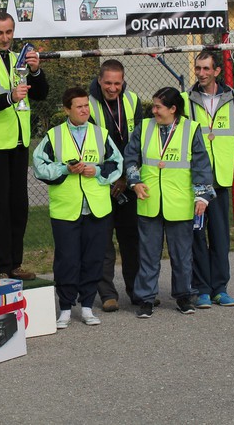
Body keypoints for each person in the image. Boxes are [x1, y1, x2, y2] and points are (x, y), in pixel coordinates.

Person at [33, 87, 122, 328]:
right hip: (66, 209)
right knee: (67, 260)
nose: (85, 110)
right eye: (79, 106)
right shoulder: (54, 135)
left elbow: (117, 164)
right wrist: (64, 169)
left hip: (97, 208)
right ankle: (64, 307)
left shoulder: (100, 133)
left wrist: (98, 171)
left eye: (87, 105)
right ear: (66, 109)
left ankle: (86, 307)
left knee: (93, 259)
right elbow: (39, 166)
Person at [0, 11, 48, 280]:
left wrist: (35, 71)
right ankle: (2, 266)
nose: (5, 38)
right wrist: (9, 97)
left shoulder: (18, 59)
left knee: (19, 206)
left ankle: (16, 263)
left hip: (18, 142)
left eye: (9, 32)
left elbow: (42, 93)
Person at [124, 87, 215, 319]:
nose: (153, 110)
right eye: (153, 105)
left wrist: (202, 196)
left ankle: (184, 296)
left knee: (182, 255)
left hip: (180, 203)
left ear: (173, 109)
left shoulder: (190, 129)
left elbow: (201, 165)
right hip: (149, 201)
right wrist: (134, 182)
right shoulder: (143, 127)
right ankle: (146, 298)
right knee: (148, 255)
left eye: (158, 106)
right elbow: (131, 158)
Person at [181, 51, 234, 308]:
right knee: (197, 236)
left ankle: (220, 288)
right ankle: (202, 288)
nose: (201, 73)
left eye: (207, 68)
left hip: (221, 179)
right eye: (198, 68)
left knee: (220, 237)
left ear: (217, 71)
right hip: (196, 180)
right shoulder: (185, 100)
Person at [86, 59, 143, 313]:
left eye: (117, 83)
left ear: (123, 81)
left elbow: (139, 142)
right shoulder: (87, 103)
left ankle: (137, 291)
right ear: (99, 80)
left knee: (131, 240)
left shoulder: (132, 100)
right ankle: (107, 293)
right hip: (100, 183)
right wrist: (110, 177)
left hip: (127, 183)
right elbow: (87, 146)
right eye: (107, 83)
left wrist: (125, 178)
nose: (112, 88)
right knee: (103, 242)